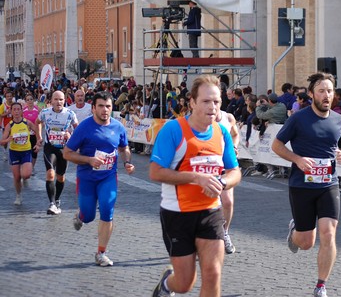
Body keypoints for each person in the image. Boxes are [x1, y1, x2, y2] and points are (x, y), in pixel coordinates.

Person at [149, 74, 241, 297]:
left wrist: (223, 182)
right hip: (177, 214)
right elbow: (155, 172)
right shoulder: (173, 130)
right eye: (206, 101)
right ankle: (167, 285)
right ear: (192, 102)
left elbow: (235, 171)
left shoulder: (221, 133)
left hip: (210, 212)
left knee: (213, 273)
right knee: (184, 283)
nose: (213, 107)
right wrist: (196, 178)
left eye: (217, 102)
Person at [271, 72, 341, 297]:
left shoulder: (340, 121)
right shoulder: (299, 118)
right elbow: (276, 145)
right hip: (302, 185)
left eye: (329, 91)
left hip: (329, 184)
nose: (326, 95)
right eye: (321, 91)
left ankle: (320, 285)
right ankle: (295, 230)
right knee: (306, 242)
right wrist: (297, 159)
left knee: (329, 233)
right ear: (311, 94)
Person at [63, 91, 134, 267]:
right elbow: (67, 153)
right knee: (88, 216)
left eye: (108, 106)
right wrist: (89, 160)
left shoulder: (118, 127)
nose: (105, 110)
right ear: (93, 108)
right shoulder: (84, 128)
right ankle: (80, 215)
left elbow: (124, 148)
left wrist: (127, 162)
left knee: (107, 210)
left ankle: (101, 253)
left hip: (108, 177)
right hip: (87, 177)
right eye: (101, 106)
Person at [36, 91, 79, 215]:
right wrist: (39, 137)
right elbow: (37, 122)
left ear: (65, 100)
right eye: (56, 99)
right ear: (52, 100)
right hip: (50, 147)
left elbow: (78, 130)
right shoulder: (45, 113)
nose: (59, 102)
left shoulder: (70, 114)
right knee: (50, 173)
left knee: (60, 176)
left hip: (64, 149)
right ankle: (52, 203)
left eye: (61, 99)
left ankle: (57, 199)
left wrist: (70, 136)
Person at [0, 102, 41, 205]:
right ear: (11, 112)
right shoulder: (10, 125)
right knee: (17, 177)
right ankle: (18, 196)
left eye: (19, 109)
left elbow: (37, 130)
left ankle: (24, 177)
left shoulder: (27, 123)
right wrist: (8, 139)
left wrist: (38, 143)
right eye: (14, 109)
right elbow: (2, 142)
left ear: (22, 111)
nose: (17, 111)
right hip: (14, 152)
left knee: (26, 175)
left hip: (26, 151)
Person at [215, 109, 240, 255]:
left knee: (228, 202)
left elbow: (235, 134)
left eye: (216, 101)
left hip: (226, 165)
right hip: (208, 166)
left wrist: (234, 147)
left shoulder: (228, 117)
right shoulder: (200, 118)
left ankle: (225, 232)